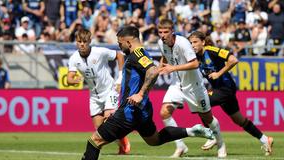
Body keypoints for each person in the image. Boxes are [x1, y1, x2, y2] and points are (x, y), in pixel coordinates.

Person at [81, 26, 214, 160]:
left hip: (130, 111)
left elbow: (153, 71)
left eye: (120, 43)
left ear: (128, 42)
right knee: (154, 140)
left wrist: (140, 94)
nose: (119, 46)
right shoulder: (141, 54)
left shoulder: (137, 55)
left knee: (94, 141)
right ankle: (191, 131)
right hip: (141, 110)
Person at [188, 31, 274, 156]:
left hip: (226, 88)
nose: (192, 45)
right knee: (239, 120)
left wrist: (218, 74)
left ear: (203, 42)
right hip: (221, 90)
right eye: (190, 43)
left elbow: (233, 60)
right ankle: (265, 140)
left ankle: (212, 135)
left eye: (195, 42)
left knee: (200, 103)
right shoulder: (196, 58)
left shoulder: (211, 51)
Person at [156, 19, 226, 158]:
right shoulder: (160, 43)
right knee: (164, 113)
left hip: (194, 86)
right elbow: (165, 56)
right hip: (177, 84)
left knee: (208, 118)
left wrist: (173, 68)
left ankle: (221, 144)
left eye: (166, 32)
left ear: (172, 31)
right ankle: (180, 146)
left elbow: (194, 64)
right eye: (160, 32)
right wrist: (160, 66)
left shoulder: (183, 43)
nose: (163, 35)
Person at [67, 29, 130, 155]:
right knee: (100, 129)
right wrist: (75, 80)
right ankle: (122, 141)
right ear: (76, 42)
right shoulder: (74, 58)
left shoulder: (99, 52)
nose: (82, 44)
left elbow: (119, 55)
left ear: (90, 41)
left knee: (108, 119)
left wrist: (120, 78)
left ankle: (123, 143)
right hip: (94, 96)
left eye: (85, 41)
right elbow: (69, 78)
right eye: (79, 42)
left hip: (109, 90)